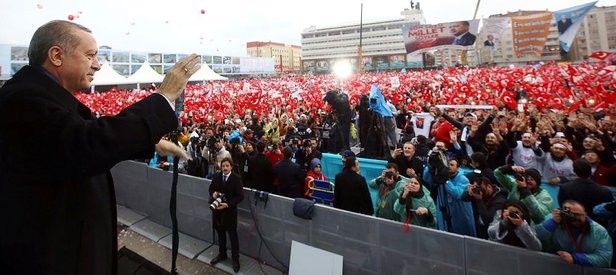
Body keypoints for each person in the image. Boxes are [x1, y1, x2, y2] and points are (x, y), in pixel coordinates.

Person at [0, 20, 196, 274]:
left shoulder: (41, 97)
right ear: (57, 55)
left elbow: (70, 142)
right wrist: (163, 98)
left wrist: (152, 144)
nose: (98, 64)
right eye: (90, 55)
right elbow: (87, 143)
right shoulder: (23, 100)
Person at [535, 200, 613, 268]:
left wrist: (575, 259)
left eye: (578, 214)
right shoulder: (554, 219)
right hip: (553, 266)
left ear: (585, 214)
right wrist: (552, 222)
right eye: (570, 214)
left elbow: (604, 259)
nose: (574, 218)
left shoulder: (599, 231)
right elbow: (535, 237)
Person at [209, 158, 244, 273]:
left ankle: (235, 260)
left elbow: (240, 196)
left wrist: (228, 204)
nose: (225, 168)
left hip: (229, 212)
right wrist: (213, 193)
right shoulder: (216, 176)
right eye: (223, 166)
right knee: (221, 234)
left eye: (227, 166)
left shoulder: (236, 178)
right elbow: (211, 189)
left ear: (231, 167)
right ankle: (222, 254)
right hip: (218, 212)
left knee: (233, 237)